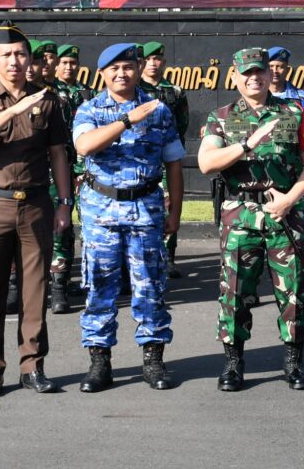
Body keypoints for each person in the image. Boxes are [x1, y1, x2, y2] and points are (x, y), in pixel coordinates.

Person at [198, 47, 304, 392]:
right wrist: (245, 144)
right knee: (235, 293)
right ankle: (234, 364)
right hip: (240, 214)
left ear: (270, 76)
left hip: (286, 211)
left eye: (260, 72)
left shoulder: (293, 112)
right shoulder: (220, 117)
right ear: (235, 77)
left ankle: (294, 362)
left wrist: (290, 199)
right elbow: (207, 162)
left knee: (295, 289)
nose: (254, 78)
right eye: (247, 73)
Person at [0, 21, 75, 398]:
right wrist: (13, 110)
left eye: (21, 54)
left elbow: (58, 154)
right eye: (7, 55)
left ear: (30, 60)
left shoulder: (49, 98)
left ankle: (33, 366)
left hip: (37, 205)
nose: (14, 61)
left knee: (35, 291)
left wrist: (64, 202)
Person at [73, 43, 183, 392]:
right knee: (100, 287)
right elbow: (85, 146)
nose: (122, 73)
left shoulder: (159, 111)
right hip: (101, 211)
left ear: (139, 69)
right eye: (114, 68)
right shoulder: (90, 109)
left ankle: (153, 360)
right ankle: (99, 362)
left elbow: (174, 163)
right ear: (102, 73)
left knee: (150, 285)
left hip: (146, 209)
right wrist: (125, 120)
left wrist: (176, 211)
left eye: (128, 67)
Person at [49, 43, 95, 312]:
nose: (68, 67)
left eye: (73, 63)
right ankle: (58, 286)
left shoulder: (88, 93)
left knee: (90, 227)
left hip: (84, 170)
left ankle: (87, 281)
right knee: (58, 227)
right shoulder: (48, 92)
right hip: (55, 168)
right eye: (64, 62)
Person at [138, 42, 190, 278]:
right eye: (148, 59)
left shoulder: (175, 91)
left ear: (164, 62)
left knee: (170, 205)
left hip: (165, 159)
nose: (152, 63)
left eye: (157, 59)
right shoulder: (133, 89)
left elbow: (182, 125)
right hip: (140, 160)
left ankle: (168, 256)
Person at [268, 46, 304, 122]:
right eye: (271, 66)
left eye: (280, 67)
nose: (275, 71)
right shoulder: (258, 96)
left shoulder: (301, 97)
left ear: (287, 70)